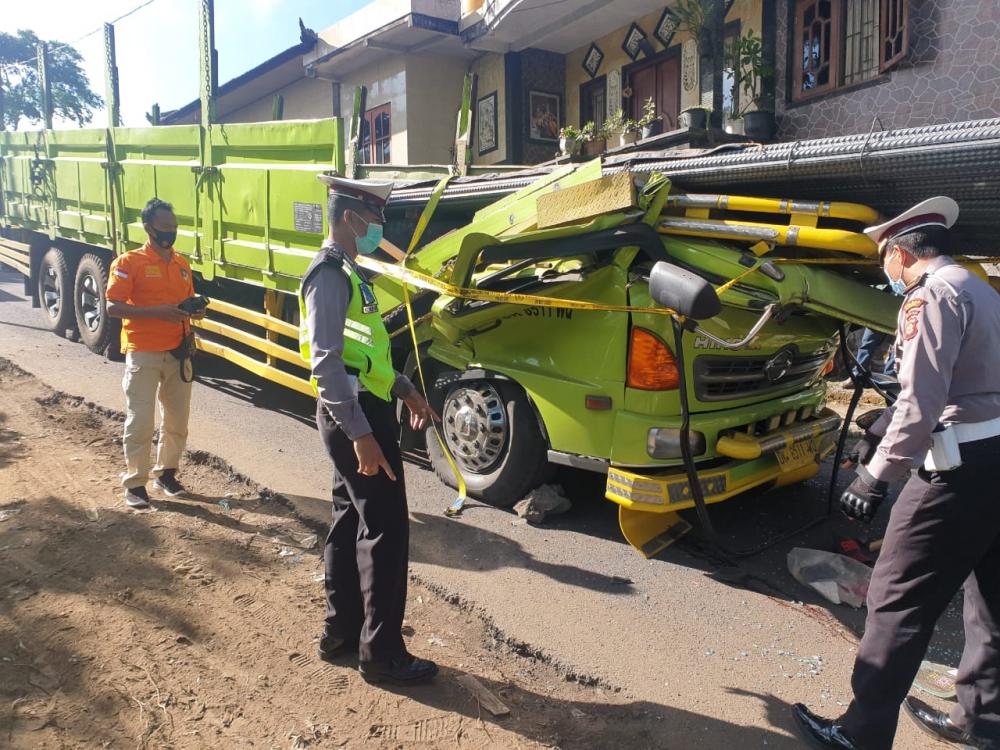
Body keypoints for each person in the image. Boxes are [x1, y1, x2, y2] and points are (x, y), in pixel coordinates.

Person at [792, 196, 1000, 750]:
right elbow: (970, 380)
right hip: (997, 456)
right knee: (990, 600)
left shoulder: (927, 297)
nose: (884, 268)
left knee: (896, 597)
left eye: (884, 257)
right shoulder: (980, 287)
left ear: (901, 254)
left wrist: (875, 475)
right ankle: (982, 721)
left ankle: (860, 735)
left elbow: (921, 401)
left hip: (956, 471)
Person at [299, 175, 440, 685]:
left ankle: (341, 633)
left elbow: (367, 354)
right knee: (385, 530)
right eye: (373, 219)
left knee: (346, 519)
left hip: (364, 407)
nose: (379, 227)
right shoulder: (329, 275)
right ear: (349, 218)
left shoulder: (352, 274)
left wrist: (405, 390)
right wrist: (360, 434)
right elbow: (327, 363)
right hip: (354, 416)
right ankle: (382, 655)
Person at [106, 198, 204, 509]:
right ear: (148, 227)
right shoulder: (128, 263)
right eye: (164, 228)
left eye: (174, 228)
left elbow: (185, 304)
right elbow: (112, 306)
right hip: (144, 351)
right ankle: (136, 483)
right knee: (141, 419)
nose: (170, 234)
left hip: (178, 351)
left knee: (177, 419)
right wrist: (156, 313)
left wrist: (195, 312)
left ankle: (167, 474)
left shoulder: (181, 264)